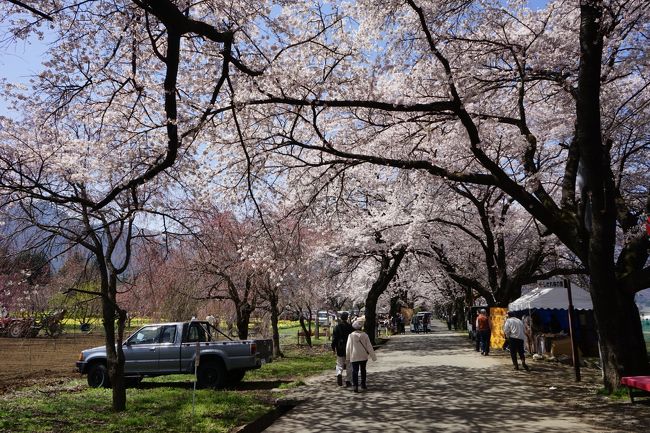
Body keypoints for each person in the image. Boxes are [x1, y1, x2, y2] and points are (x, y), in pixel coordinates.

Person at [346, 317, 377, 393]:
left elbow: (348, 347)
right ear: (361, 327)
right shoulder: (365, 335)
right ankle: (363, 384)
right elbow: (369, 346)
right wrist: (373, 357)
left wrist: (347, 357)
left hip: (354, 355)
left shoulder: (351, 335)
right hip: (363, 356)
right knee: (363, 370)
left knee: (355, 371)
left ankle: (355, 386)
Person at [331, 312, 354, 387]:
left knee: (339, 363)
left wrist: (333, 347)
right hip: (349, 348)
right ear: (347, 318)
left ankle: (339, 374)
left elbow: (334, 339)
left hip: (340, 347)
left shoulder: (337, 327)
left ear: (341, 318)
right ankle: (348, 380)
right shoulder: (350, 327)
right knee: (349, 365)